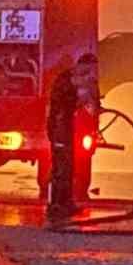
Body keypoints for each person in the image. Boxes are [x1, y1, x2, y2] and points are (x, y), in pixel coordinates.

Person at [45, 52, 99, 220]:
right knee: (61, 168)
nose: (91, 73)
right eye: (89, 69)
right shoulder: (67, 79)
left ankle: (66, 204)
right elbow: (78, 97)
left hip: (65, 126)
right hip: (59, 127)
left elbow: (82, 101)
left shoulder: (71, 79)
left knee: (68, 167)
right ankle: (56, 206)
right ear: (83, 65)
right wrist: (87, 96)